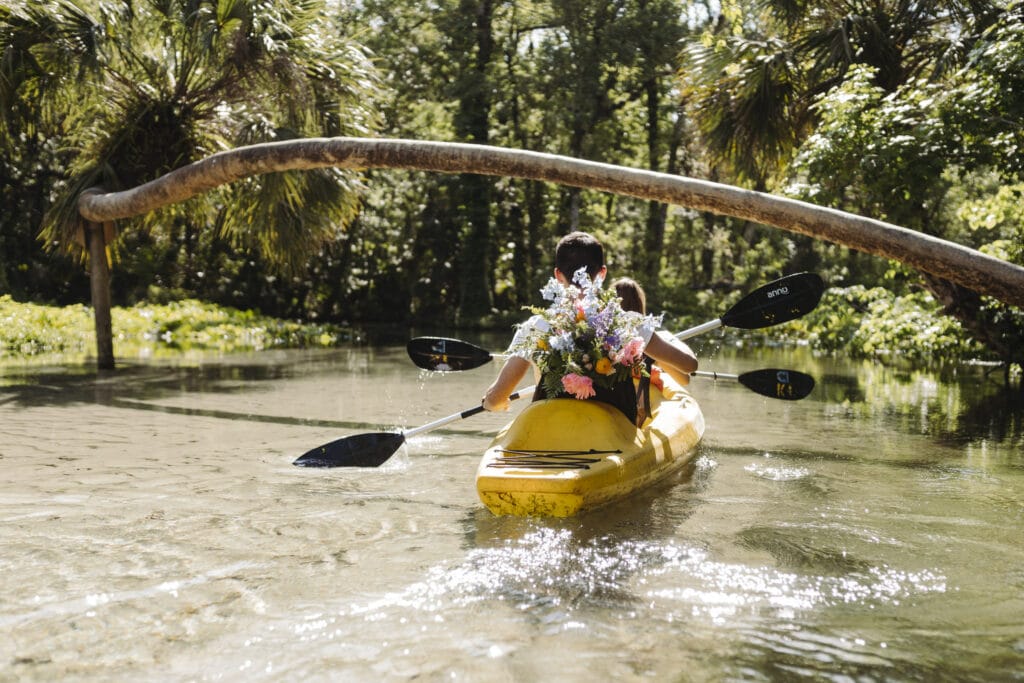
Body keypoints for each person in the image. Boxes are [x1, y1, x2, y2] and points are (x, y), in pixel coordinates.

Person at [482, 232, 697, 416]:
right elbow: (689, 366)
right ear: (602, 273)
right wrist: (665, 339)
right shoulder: (628, 322)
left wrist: (494, 402)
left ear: (557, 275)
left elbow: (496, 398)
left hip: (550, 429)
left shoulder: (536, 326)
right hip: (612, 435)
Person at [612, 277, 696, 389]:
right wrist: (669, 339)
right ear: (639, 304)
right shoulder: (644, 336)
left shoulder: (603, 325)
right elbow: (686, 376)